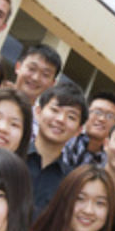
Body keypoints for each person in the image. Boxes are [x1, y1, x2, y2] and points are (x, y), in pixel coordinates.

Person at [26, 82, 86, 217]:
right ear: (38, 112)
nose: (60, 119)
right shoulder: (10, 156)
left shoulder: (72, 183)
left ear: (78, 130)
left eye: (71, 117)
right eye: (55, 110)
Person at [62, 91, 115, 168]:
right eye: (97, 112)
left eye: (110, 116)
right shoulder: (64, 142)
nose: (102, 119)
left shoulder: (108, 163)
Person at [12, 44, 62, 108]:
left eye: (45, 74)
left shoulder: (40, 117)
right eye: (32, 69)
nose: (35, 78)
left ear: (52, 84)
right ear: (18, 67)